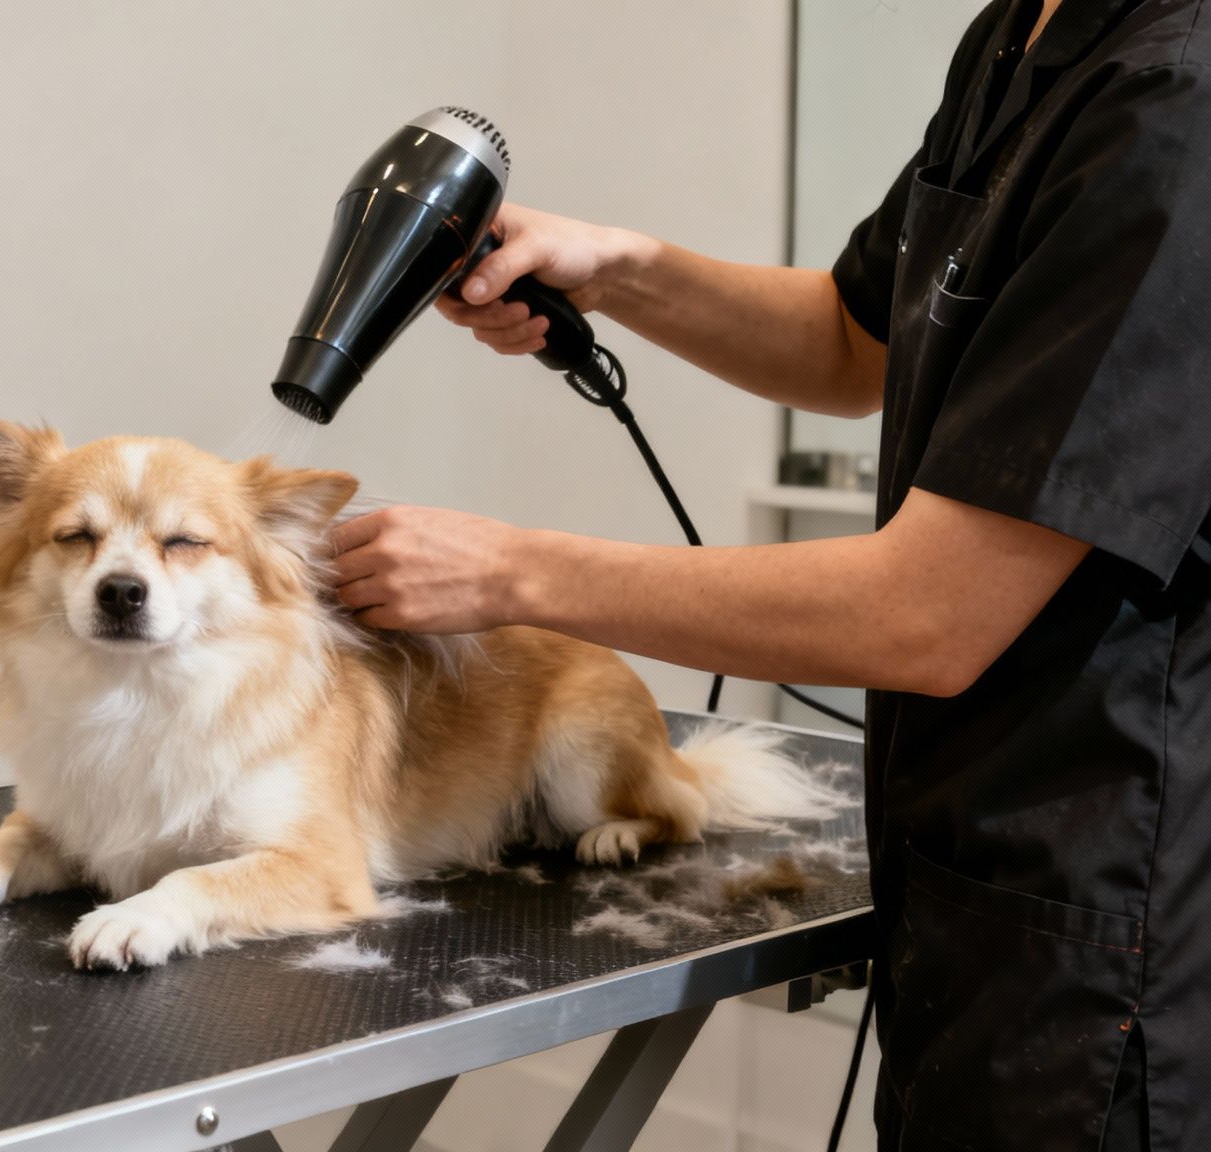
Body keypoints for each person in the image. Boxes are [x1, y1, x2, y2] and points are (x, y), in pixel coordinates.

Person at [328, 1, 1210, 1148]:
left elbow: (929, 613)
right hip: (966, 877)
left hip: (1107, 911)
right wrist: (619, 269)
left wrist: (508, 573)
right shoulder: (1018, 37)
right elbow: (851, 337)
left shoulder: (1173, 109)